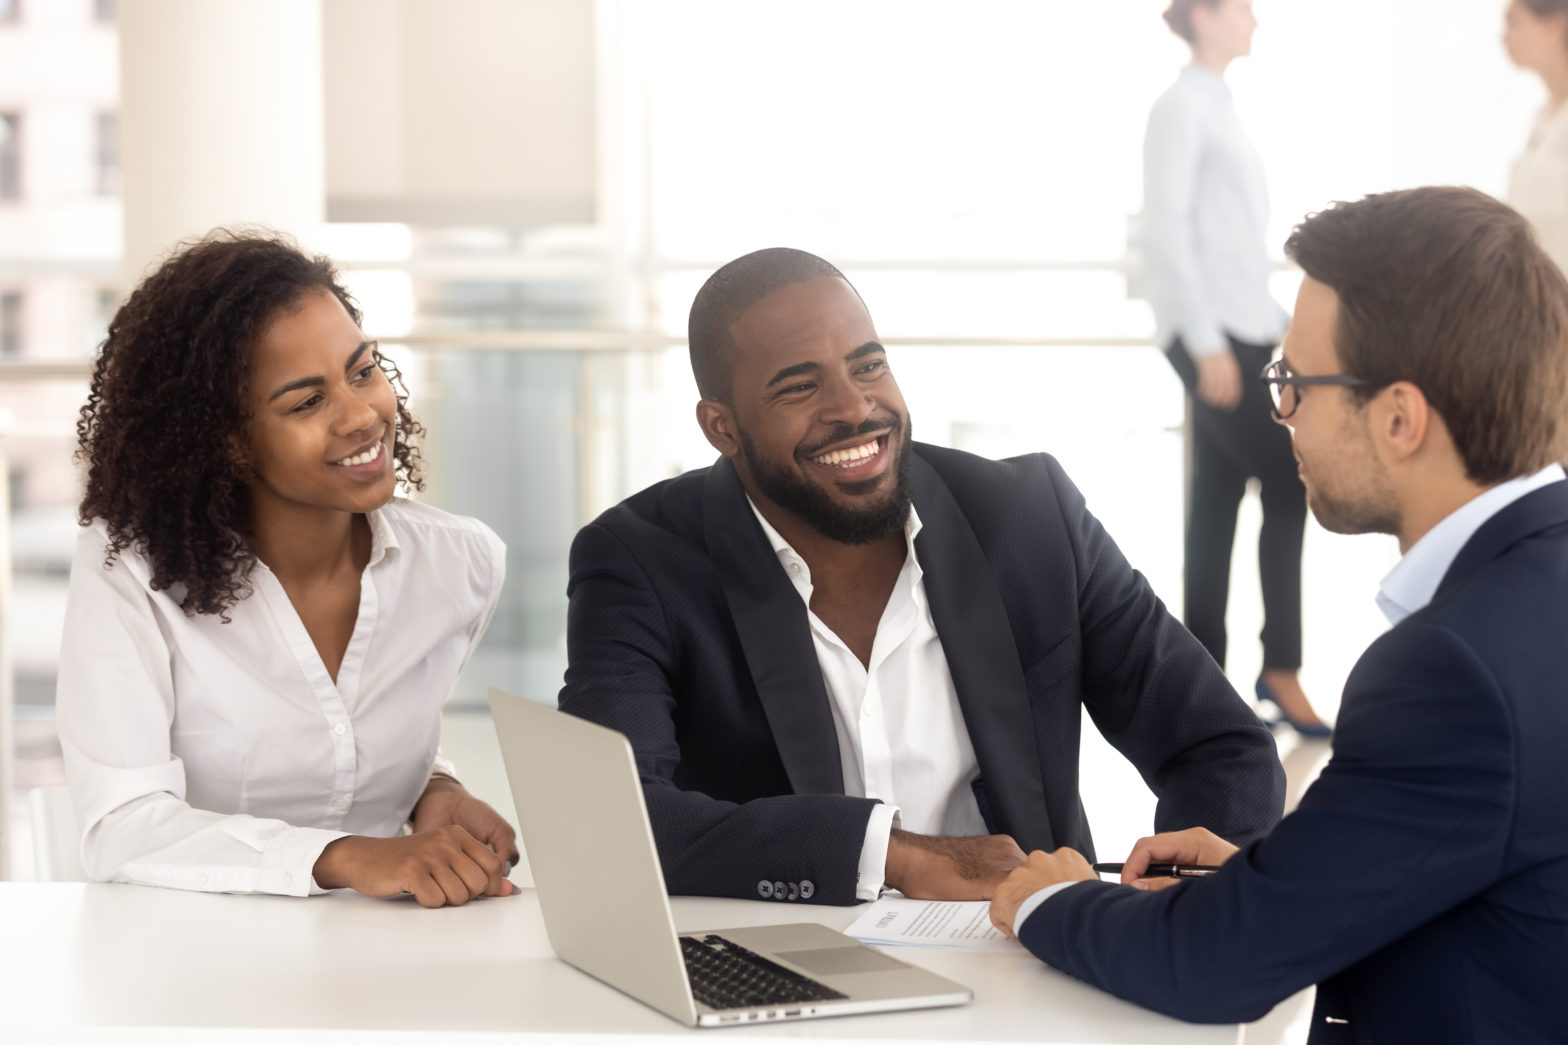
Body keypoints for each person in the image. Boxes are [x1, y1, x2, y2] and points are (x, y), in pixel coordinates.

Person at [990, 187, 1568, 1043]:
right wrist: (1282, 882)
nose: (1282, 414)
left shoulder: (1451, 669)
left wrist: (1045, 900)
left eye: (1294, 382)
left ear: (1400, 417)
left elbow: (1214, 968)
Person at [558, 247, 1284, 908]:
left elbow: (1219, 745)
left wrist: (1180, 905)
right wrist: (894, 855)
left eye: (868, 365)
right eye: (799, 387)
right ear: (721, 428)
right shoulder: (640, 560)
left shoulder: (1030, 518)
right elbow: (608, 813)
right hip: (791, 978)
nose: (853, 409)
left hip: (1027, 960)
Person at [58, 230, 517, 908]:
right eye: (307, 402)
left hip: (392, 956)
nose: (363, 415)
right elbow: (122, 826)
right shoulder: (132, 573)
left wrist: (435, 790)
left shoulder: (461, 566)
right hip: (186, 971)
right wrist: (346, 856)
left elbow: (341, 747)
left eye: (362, 371)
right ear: (227, 438)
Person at [1143, 0, 1328, 735]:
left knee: (1217, 498)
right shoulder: (1181, 107)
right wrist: (1206, 340)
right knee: (1289, 476)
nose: (1256, 19)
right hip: (1212, 335)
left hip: (1246, 329)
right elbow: (1167, 227)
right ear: (1206, 14)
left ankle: (1205, 680)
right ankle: (1279, 668)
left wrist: (1277, 329)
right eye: (1244, 7)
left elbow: (1232, 242)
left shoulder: (1219, 104)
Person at [1505, 0, 1568, 273]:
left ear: (1554, 27)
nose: (1504, 37)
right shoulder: (1542, 118)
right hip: (1541, 301)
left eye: (1514, 22)